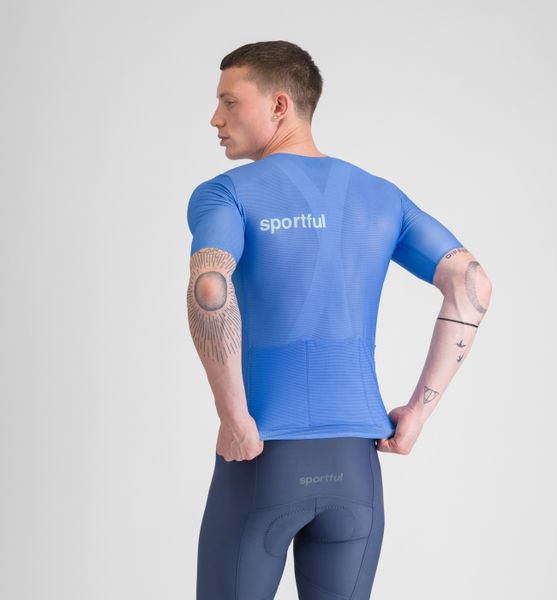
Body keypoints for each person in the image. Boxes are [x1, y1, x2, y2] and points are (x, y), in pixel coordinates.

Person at [186, 40, 492, 600]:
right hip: (356, 466)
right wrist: (419, 412)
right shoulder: (381, 196)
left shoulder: (226, 194)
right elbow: (471, 284)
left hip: (262, 456)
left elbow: (211, 286)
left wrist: (234, 416)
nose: (215, 118)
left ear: (279, 105)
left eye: (230, 102)